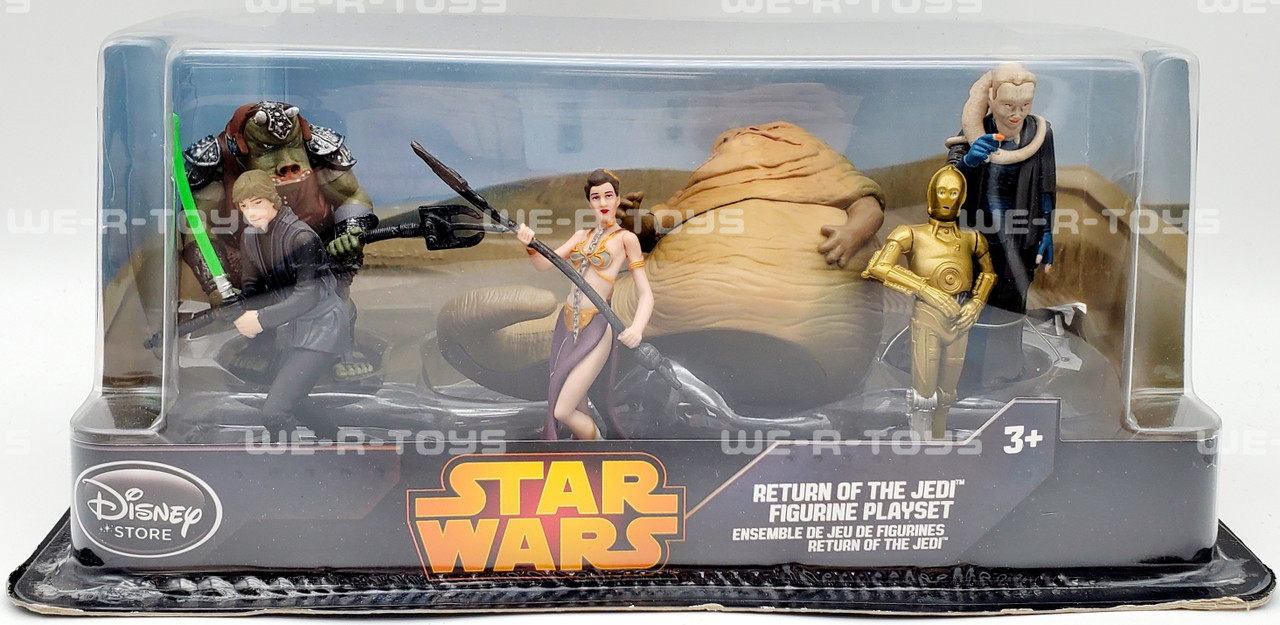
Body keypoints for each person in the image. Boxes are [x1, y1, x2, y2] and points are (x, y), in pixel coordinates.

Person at [515, 170, 654, 440]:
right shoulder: (580, 235)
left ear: (617, 199)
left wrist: (637, 329)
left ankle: (598, 447)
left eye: (608, 195)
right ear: (589, 202)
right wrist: (530, 245)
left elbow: (646, 293)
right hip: (567, 325)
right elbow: (544, 264)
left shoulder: (626, 239)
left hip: (597, 326)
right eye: (596, 197)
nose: (603, 202)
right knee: (573, 403)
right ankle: (584, 450)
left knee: (563, 410)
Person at [863, 166, 996, 440]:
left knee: (947, 395)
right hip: (927, 315)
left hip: (960, 316)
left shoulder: (972, 238)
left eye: (954, 192)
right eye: (942, 191)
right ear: (931, 194)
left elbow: (989, 274)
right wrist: (926, 290)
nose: (947, 198)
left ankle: (938, 440)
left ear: (962, 198)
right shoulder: (910, 234)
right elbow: (878, 266)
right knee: (924, 396)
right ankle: (921, 443)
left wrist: (976, 304)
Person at [230, 170, 352, 442]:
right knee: (292, 398)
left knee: (275, 412)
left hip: (323, 325)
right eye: (244, 206)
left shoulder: (302, 238)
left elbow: (307, 296)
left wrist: (260, 320)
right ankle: (334, 439)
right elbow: (253, 287)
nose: (251, 212)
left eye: (257, 202)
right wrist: (238, 305)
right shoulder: (249, 237)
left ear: (273, 200)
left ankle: (288, 458)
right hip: (293, 326)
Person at [945, 62, 1055, 315]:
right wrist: (969, 161)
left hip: (1020, 233)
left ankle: (1009, 339)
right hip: (977, 231)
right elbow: (947, 181)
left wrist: (1046, 230)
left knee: (1013, 299)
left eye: (1025, 105)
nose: (1016, 114)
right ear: (992, 100)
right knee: (974, 298)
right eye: (1008, 105)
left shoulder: (1040, 133)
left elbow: (1046, 186)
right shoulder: (973, 133)